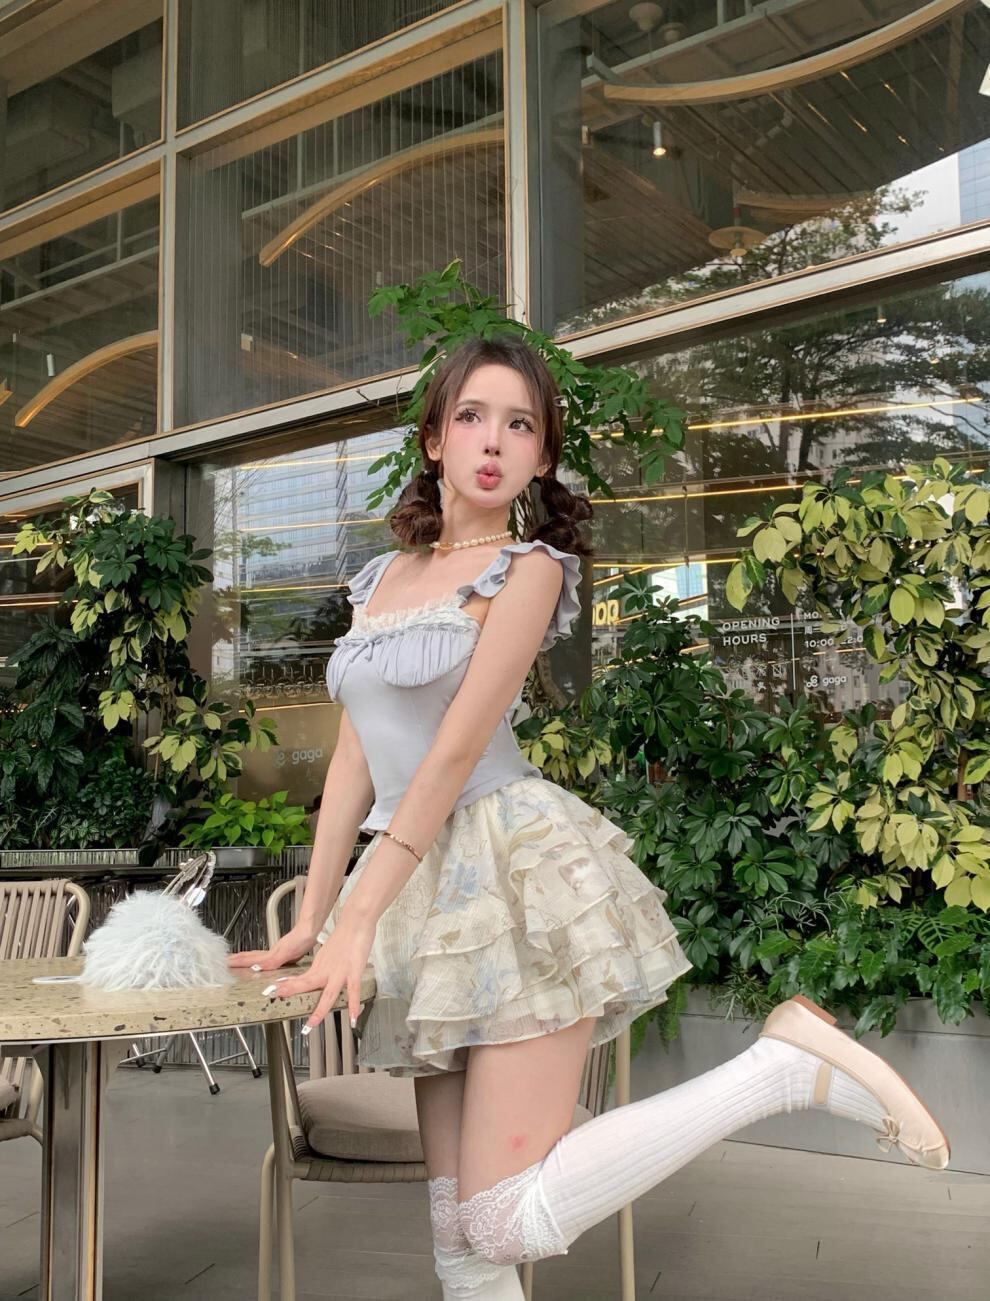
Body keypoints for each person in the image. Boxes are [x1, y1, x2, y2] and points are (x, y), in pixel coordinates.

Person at [231, 336, 949, 1300]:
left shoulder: (528, 570)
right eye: (472, 417)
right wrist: (315, 919)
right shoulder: (380, 580)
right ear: (435, 438)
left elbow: (451, 755)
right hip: (425, 888)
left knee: (500, 1215)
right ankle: (777, 1068)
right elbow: (356, 759)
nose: (494, 440)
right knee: (460, 1241)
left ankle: (778, 1070)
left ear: (541, 456)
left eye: (520, 424)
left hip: (514, 870)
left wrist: (359, 916)